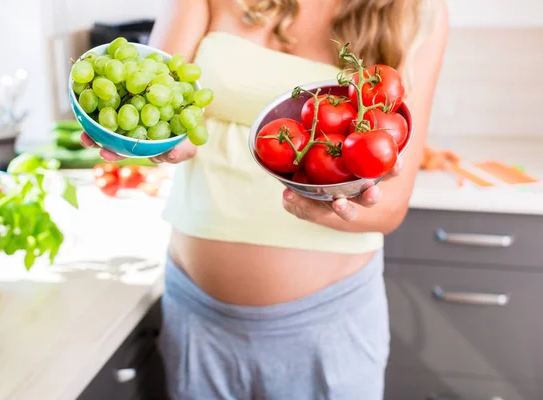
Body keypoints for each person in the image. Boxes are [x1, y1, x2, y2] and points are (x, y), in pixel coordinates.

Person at [81, 0, 449, 398]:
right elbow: (161, 98)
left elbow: (391, 209)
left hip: (329, 329)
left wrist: (319, 204)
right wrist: (155, 144)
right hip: (197, 317)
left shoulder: (415, 9)